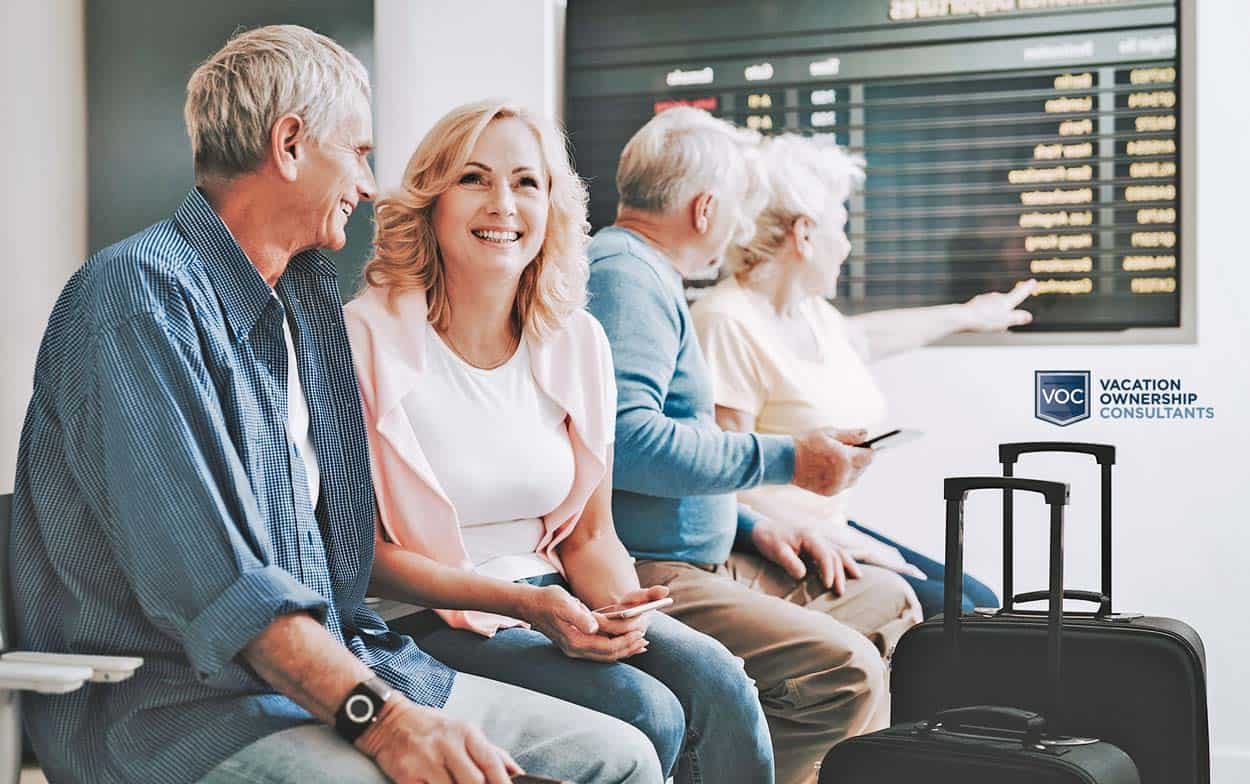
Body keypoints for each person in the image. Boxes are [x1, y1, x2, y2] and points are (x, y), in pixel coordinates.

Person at [9, 26, 658, 784]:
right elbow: (222, 590)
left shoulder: (306, 299)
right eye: (358, 151)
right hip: (177, 711)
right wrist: (383, 722)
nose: (372, 183)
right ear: (289, 145)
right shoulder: (138, 300)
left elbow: (342, 561)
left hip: (345, 667)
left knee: (620, 758)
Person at [345, 99, 773, 784]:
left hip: (554, 597)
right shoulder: (363, 339)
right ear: (430, 198)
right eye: (474, 179)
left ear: (552, 206)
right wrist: (524, 607)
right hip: (425, 619)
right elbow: (364, 559)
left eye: (526, 182)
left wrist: (620, 614)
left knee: (721, 685)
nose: (503, 204)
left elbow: (590, 537)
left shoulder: (577, 342)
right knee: (648, 712)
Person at [585, 107, 923, 784]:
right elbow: (627, 441)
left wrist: (751, 521)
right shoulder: (627, 276)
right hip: (657, 572)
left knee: (892, 602)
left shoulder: (647, 274)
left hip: (711, 555)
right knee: (844, 669)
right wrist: (790, 459)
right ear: (705, 209)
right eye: (739, 209)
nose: (743, 229)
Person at [691, 133, 1036, 618]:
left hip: (833, 525)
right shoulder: (727, 321)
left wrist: (967, 314)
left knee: (982, 602)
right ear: (805, 235)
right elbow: (723, 476)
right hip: (775, 542)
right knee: (954, 616)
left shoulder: (812, 315)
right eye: (843, 228)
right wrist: (846, 540)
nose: (848, 245)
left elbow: (868, 338)